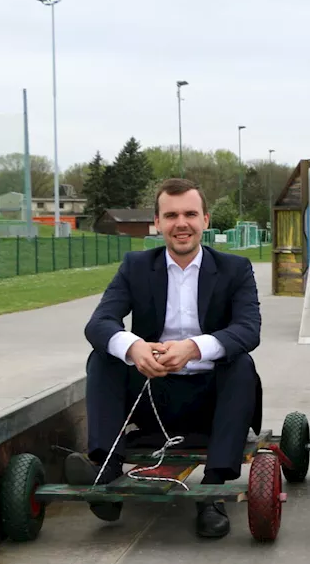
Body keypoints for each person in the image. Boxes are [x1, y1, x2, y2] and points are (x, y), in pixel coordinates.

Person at [73, 178, 263, 539]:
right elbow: (99, 323)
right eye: (171, 215)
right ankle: (106, 471)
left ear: (206, 220)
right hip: (152, 394)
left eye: (190, 214)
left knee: (241, 364)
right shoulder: (135, 266)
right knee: (104, 357)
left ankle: (211, 493)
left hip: (211, 400)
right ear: (156, 223)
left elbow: (248, 330)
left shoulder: (235, 269)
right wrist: (134, 347)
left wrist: (193, 347)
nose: (182, 223)